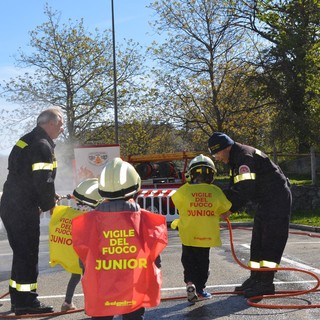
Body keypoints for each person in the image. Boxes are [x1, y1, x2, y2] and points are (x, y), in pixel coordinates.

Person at [72, 158, 168, 320]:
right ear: (136, 189)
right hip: (134, 290)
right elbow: (155, 260)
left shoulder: (86, 222)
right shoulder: (147, 221)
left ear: (102, 191)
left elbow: (84, 262)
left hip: (102, 291)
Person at [207, 132, 292, 298]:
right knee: (257, 242)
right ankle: (256, 278)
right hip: (266, 201)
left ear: (225, 148)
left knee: (270, 242)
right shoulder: (236, 158)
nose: (216, 158)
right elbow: (235, 189)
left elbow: (246, 189)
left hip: (276, 200)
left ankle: (266, 283)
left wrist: (230, 210)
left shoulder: (244, 158)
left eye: (216, 154)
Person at [0, 107, 64, 315]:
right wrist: (50, 205)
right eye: (61, 123)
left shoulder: (26, 140)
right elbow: (43, 180)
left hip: (13, 205)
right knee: (27, 254)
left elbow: (24, 177)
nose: (62, 128)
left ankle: (19, 300)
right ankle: (27, 302)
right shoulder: (41, 145)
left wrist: (39, 199)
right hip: (21, 208)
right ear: (50, 123)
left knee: (21, 254)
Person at [170, 154, 232, 304]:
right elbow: (225, 210)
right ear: (212, 175)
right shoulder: (216, 191)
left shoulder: (184, 191)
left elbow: (176, 202)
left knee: (188, 261)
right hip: (206, 237)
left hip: (188, 235)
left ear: (191, 174)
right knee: (203, 263)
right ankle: (200, 290)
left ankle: (189, 282)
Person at [59, 178, 103, 312]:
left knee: (77, 275)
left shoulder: (77, 209)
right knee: (95, 277)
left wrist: (67, 196)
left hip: (79, 248)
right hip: (93, 249)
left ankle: (67, 302)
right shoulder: (95, 210)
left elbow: (76, 198)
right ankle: (94, 303)